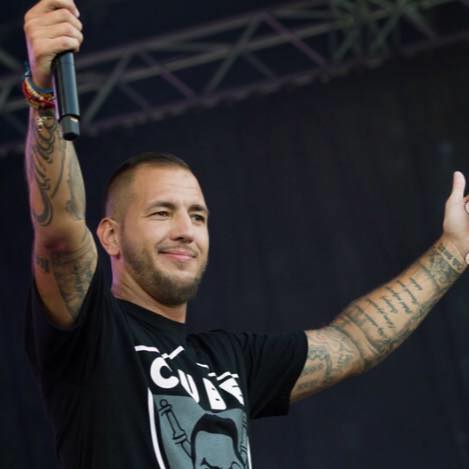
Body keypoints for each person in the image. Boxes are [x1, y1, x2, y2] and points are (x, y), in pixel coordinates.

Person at [22, 1, 469, 468]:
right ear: (110, 237)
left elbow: (354, 342)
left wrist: (454, 250)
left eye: (198, 216)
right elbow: (60, 234)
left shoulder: (228, 360)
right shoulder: (94, 334)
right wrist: (43, 93)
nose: (185, 231)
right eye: (161, 213)